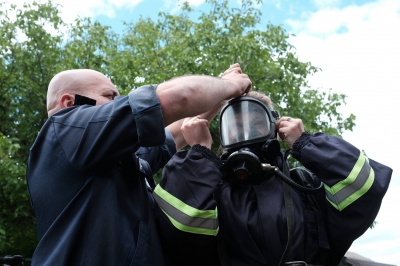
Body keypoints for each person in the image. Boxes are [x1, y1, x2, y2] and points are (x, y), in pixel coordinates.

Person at [26, 65, 251, 266]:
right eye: (110, 96)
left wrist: (220, 93)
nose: (118, 102)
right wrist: (228, 85)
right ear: (69, 102)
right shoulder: (66, 127)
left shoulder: (120, 158)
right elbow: (179, 97)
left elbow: (182, 127)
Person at [154, 91, 392, 266]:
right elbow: (179, 236)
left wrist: (306, 143)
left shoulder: (304, 184)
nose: (245, 133)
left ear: (275, 127)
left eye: (256, 123)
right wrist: (199, 154)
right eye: (235, 127)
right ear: (223, 135)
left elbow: (365, 187)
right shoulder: (212, 192)